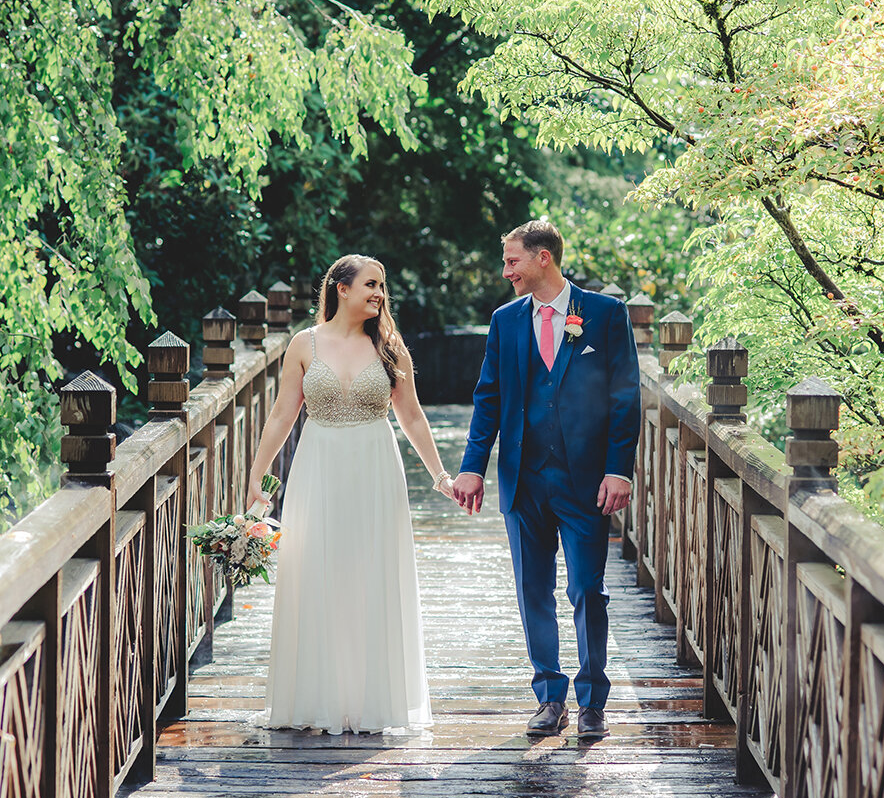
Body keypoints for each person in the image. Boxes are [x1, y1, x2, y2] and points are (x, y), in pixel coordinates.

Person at [247, 254, 455, 734]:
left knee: (368, 573)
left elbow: (412, 416)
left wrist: (440, 475)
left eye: (382, 285)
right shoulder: (304, 344)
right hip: (317, 467)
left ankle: (368, 702)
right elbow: (282, 415)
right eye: (371, 284)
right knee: (316, 571)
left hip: (374, 468)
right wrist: (257, 474)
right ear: (341, 288)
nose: (380, 293)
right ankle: (316, 699)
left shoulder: (390, 347)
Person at [452, 221, 641, 740]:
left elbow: (626, 398)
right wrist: (472, 465)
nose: (505, 271)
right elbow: (488, 397)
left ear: (543, 259)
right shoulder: (505, 321)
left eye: (512, 261)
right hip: (523, 479)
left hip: (585, 481)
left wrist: (618, 468)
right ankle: (549, 696)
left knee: (587, 589)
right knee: (532, 589)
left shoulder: (604, 315)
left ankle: (592, 701)